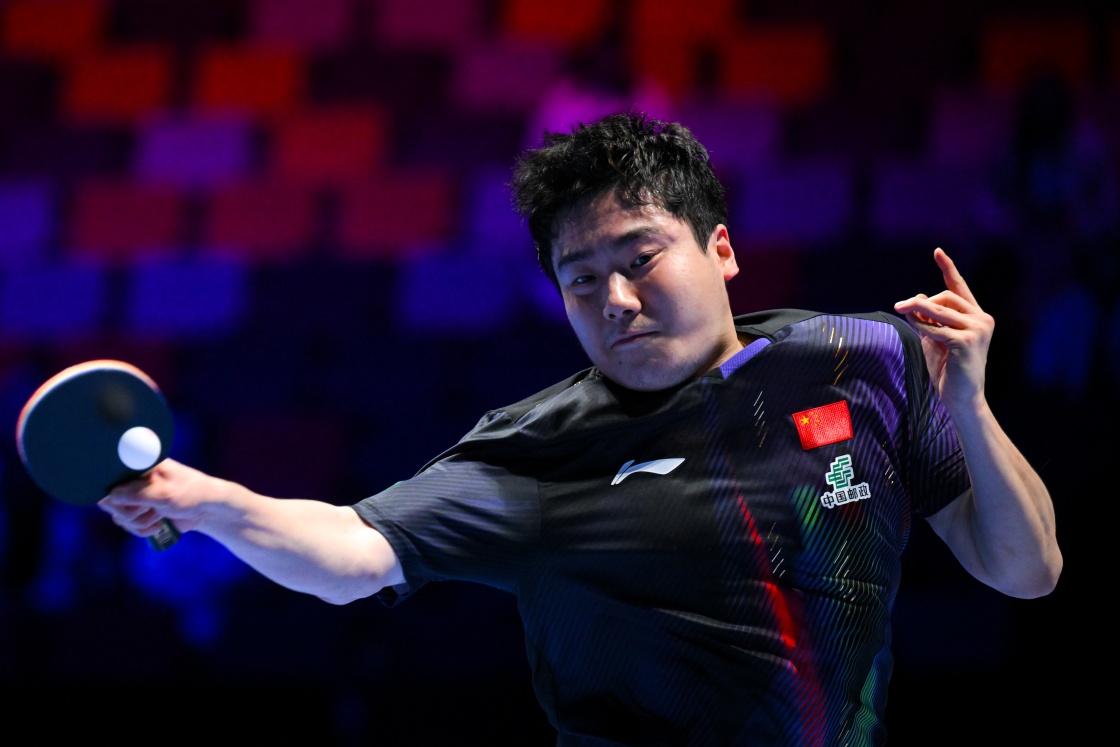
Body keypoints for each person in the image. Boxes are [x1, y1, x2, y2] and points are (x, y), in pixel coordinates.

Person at [99, 112, 1062, 746]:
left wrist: (969, 406)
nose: (616, 299)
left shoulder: (868, 359)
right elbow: (351, 554)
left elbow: (1026, 569)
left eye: (640, 258)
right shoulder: (542, 444)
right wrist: (209, 501)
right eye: (581, 279)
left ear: (721, 249)